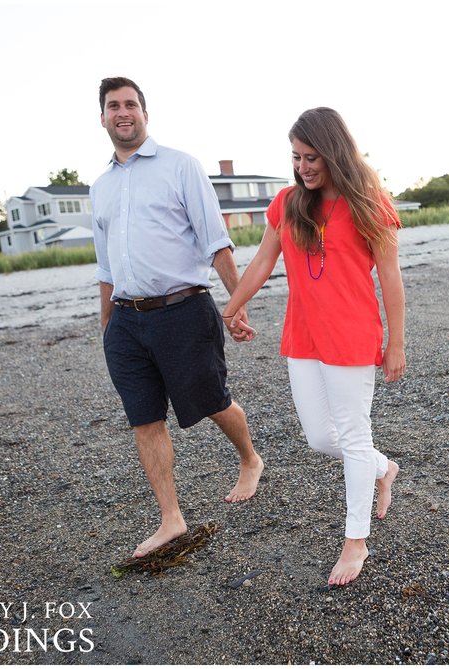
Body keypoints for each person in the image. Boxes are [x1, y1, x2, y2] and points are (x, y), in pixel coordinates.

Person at [221, 107, 405, 586]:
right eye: (296, 157)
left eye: (311, 157)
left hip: (353, 335)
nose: (302, 167)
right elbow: (263, 261)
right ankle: (383, 469)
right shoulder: (287, 203)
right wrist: (232, 307)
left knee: (353, 434)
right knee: (321, 438)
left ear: (334, 152)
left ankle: (356, 541)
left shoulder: (368, 202)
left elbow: (390, 278)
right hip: (303, 335)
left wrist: (397, 342)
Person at [90, 77, 263, 558]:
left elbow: (215, 239)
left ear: (145, 112)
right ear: (101, 117)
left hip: (183, 309)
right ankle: (171, 518)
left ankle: (250, 459)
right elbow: (105, 266)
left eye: (130, 104)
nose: (122, 112)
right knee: (144, 419)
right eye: (112, 106)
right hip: (125, 321)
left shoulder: (180, 166)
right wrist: (106, 327)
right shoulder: (99, 186)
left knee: (210, 400)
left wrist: (236, 306)